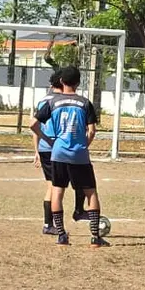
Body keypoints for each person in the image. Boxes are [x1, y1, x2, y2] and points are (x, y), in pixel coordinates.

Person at [31, 66, 107, 248]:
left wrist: (50, 141)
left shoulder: (52, 103)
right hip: (79, 154)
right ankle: (95, 238)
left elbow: (33, 124)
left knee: (57, 191)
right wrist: (83, 145)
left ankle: (62, 236)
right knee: (91, 192)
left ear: (62, 82)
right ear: (78, 83)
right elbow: (92, 131)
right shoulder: (85, 103)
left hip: (58, 153)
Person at [34, 72, 87, 235]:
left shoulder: (43, 100)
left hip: (45, 147)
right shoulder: (63, 101)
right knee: (78, 181)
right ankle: (75, 212)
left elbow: (35, 127)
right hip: (59, 147)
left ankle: (49, 223)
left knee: (52, 186)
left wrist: (37, 149)